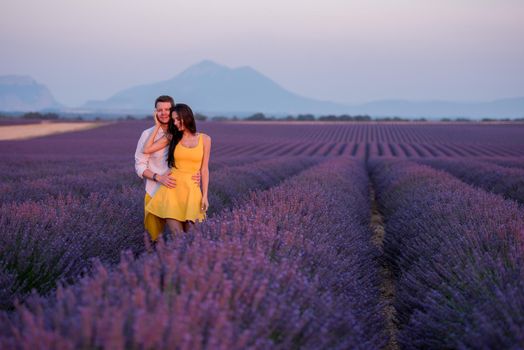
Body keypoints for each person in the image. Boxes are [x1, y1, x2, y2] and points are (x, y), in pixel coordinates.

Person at [134, 96, 199, 241]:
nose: (163, 113)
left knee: (185, 238)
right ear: (155, 112)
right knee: (153, 239)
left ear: (173, 111)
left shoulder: (181, 133)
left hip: (179, 192)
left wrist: (197, 173)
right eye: (159, 110)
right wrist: (159, 177)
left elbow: (194, 156)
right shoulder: (147, 135)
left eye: (167, 110)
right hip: (154, 191)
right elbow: (140, 165)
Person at [143, 103, 211, 234]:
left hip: (192, 192)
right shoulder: (172, 136)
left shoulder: (205, 139)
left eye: (177, 119)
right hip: (171, 191)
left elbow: (204, 169)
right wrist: (157, 126)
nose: (174, 122)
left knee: (193, 237)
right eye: (173, 120)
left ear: (187, 117)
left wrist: (205, 195)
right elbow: (146, 149)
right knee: (178, 238)